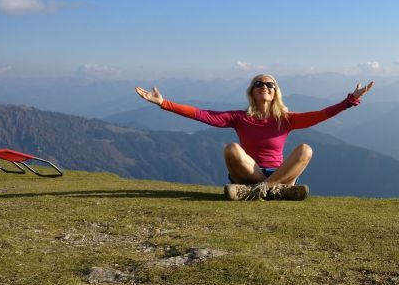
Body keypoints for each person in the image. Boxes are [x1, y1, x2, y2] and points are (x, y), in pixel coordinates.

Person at [136, 74, 374, 201]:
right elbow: (203, 115)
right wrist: (164, 103)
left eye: (270, 84)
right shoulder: (239, 117)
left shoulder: (286, 118)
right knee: (231, 149)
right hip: (249, 172)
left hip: (279, 173)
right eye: (258, 83)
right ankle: (274, 191)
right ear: (252, 91)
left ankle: (260, 191)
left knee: (306, 150)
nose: (264, 86)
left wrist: (349, 100)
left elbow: (319, 115)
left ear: (275, 91)